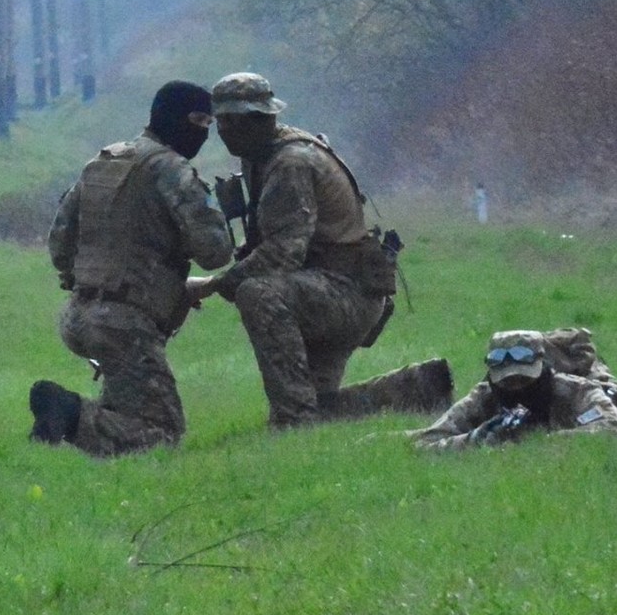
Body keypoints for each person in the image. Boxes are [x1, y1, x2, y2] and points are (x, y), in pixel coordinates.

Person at [189, 73, 453, 428]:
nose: (222, 132)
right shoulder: (264, 155)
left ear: (255, 120)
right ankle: (416, 390)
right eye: (220, 122)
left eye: (228, 122)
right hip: (330, 288)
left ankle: (293, 421)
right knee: (323, 408)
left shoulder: (290, 162)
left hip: (343, 291)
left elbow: (282, 253)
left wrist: (212, 285)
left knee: (258, 293)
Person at [29, 81, 235, 456]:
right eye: (198, 121)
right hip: (126, 326)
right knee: (162, 434)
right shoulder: (171, 169)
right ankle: (70, 413)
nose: (204, 132)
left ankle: (74, 431)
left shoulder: (105, 161)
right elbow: (215, 252)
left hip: (79, 315)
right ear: (172, 117)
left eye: (210, 124)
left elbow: (60, 245)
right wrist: (222, 215)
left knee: (126, 412)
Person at [408, 329, 617, 450]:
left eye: (524, 380)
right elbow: (425, 444)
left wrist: (540, 442)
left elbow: (614, 424)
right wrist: (476, 439)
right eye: (507, 382)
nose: (516, 388)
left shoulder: (574, 391)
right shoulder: (483, 397)